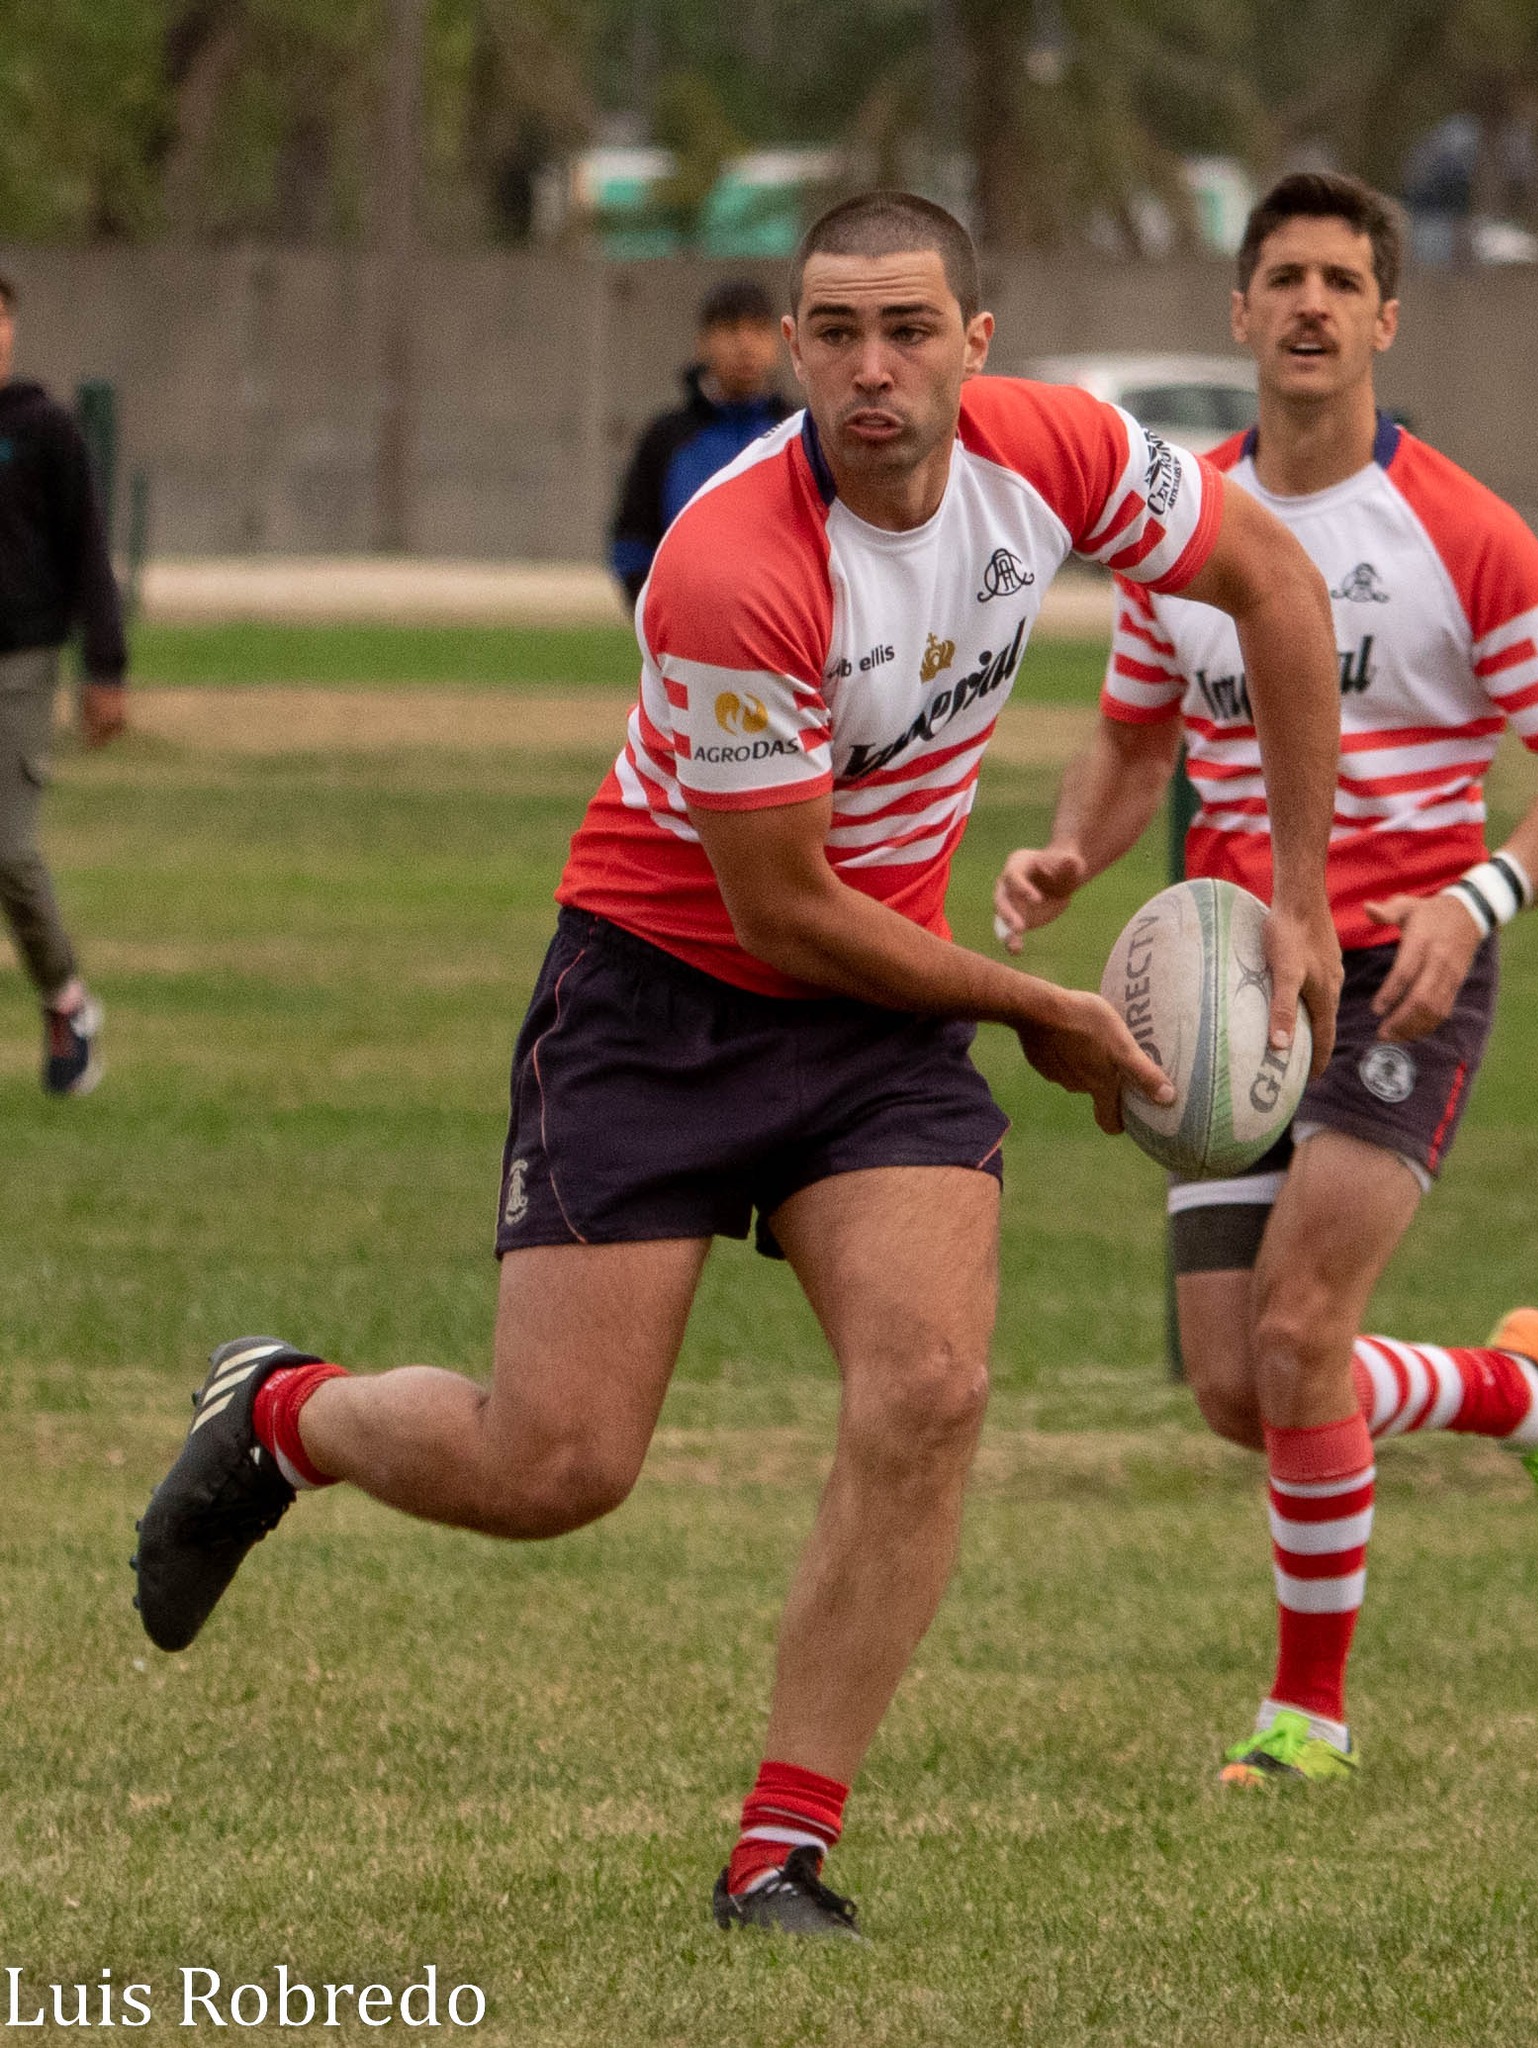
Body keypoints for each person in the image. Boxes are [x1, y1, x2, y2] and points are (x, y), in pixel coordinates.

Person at [134, 191, 1346, 1935]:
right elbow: (781, 911)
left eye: (910, 330)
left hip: (878, 1024)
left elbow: (1274, 585)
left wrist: (1299, 900)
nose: (874, 370)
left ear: (975, 345)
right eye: (835, 333)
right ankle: (278, 1410)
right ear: (791, 346)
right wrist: (1045, 1009)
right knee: (559, 1465)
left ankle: (781, 1849)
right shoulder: (733, 559)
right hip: (661, 999)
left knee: (929, 1386)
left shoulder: (1060, 453)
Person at [994, 170, 1538, 1788]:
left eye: (1340, 281)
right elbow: (1139, 730)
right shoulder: (1188, 523)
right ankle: (1511, 1387)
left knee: (1300, 1330)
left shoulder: (1463, 530)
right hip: (1232, 989)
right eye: (1282, 275)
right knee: (1241, 1387)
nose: (1309, 305)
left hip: (1403, 970)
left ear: (1385, 318)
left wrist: (1476, 898)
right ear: (1240, 309)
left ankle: (1310, 1720)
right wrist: (1077, 844)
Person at [0, 269, 125, 1094]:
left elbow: (87, 551)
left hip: (20, 661)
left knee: (7, 849)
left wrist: (105, 668)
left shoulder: (42, 428)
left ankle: (67, 1001)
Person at [606, 277, 793, 606]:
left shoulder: (805, 434)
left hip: (789, 634)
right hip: (687, 636)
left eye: (759, 329)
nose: (745, 343)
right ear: (703, 343)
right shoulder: (666, 438)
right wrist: (656, 612)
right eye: (731, 329)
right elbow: (631, 544)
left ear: (781, 342)